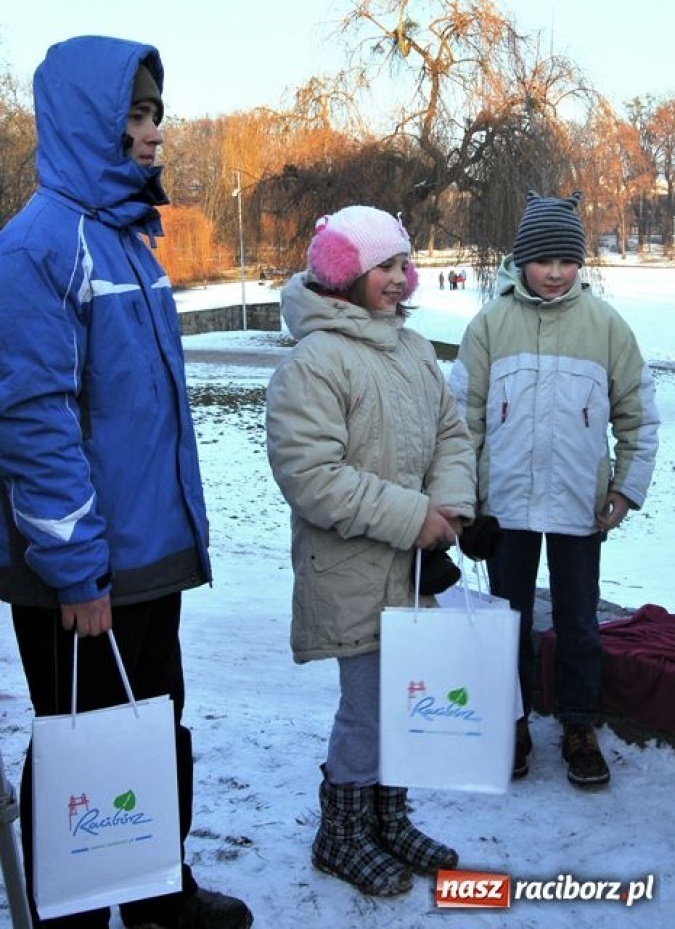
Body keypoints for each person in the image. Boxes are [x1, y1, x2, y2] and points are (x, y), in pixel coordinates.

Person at [0, 36, 252, 929]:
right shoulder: (37, 248)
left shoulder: (130, 243)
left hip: (150, 554)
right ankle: (70, 914)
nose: (152, 135)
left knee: (151, 728)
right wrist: (76, 569)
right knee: (82, 747)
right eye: (135, 116)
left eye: (156, 115)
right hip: (86, 570)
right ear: (89, 121)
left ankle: (156, 894)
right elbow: (35, 422)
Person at [265, 205, 476, 896]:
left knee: (407, 695)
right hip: (352, 571)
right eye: (383, 265)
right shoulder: (315, 361)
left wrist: (446, 507)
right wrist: (411, 515)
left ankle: (389, 815)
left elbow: (451, 432)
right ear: (342, 273)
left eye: (401, 263)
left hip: (413, 563)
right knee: (367, 706)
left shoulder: (411, 348)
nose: (399, 278)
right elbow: (311, 476)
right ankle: (343, 831)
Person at [448, 190, 659, 788]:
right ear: (521, 262)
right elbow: (462, 420)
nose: (555, 273)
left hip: (579, 506)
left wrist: (625, 489)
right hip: (505, 508)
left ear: (579, 264)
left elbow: (638, 414)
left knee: (578, 622)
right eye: (543, 262)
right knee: (505, 619)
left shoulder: (606, 326)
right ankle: (509, 721)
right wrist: (467, 501)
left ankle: (577, 724)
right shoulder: (490, 324)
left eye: (567, 261)